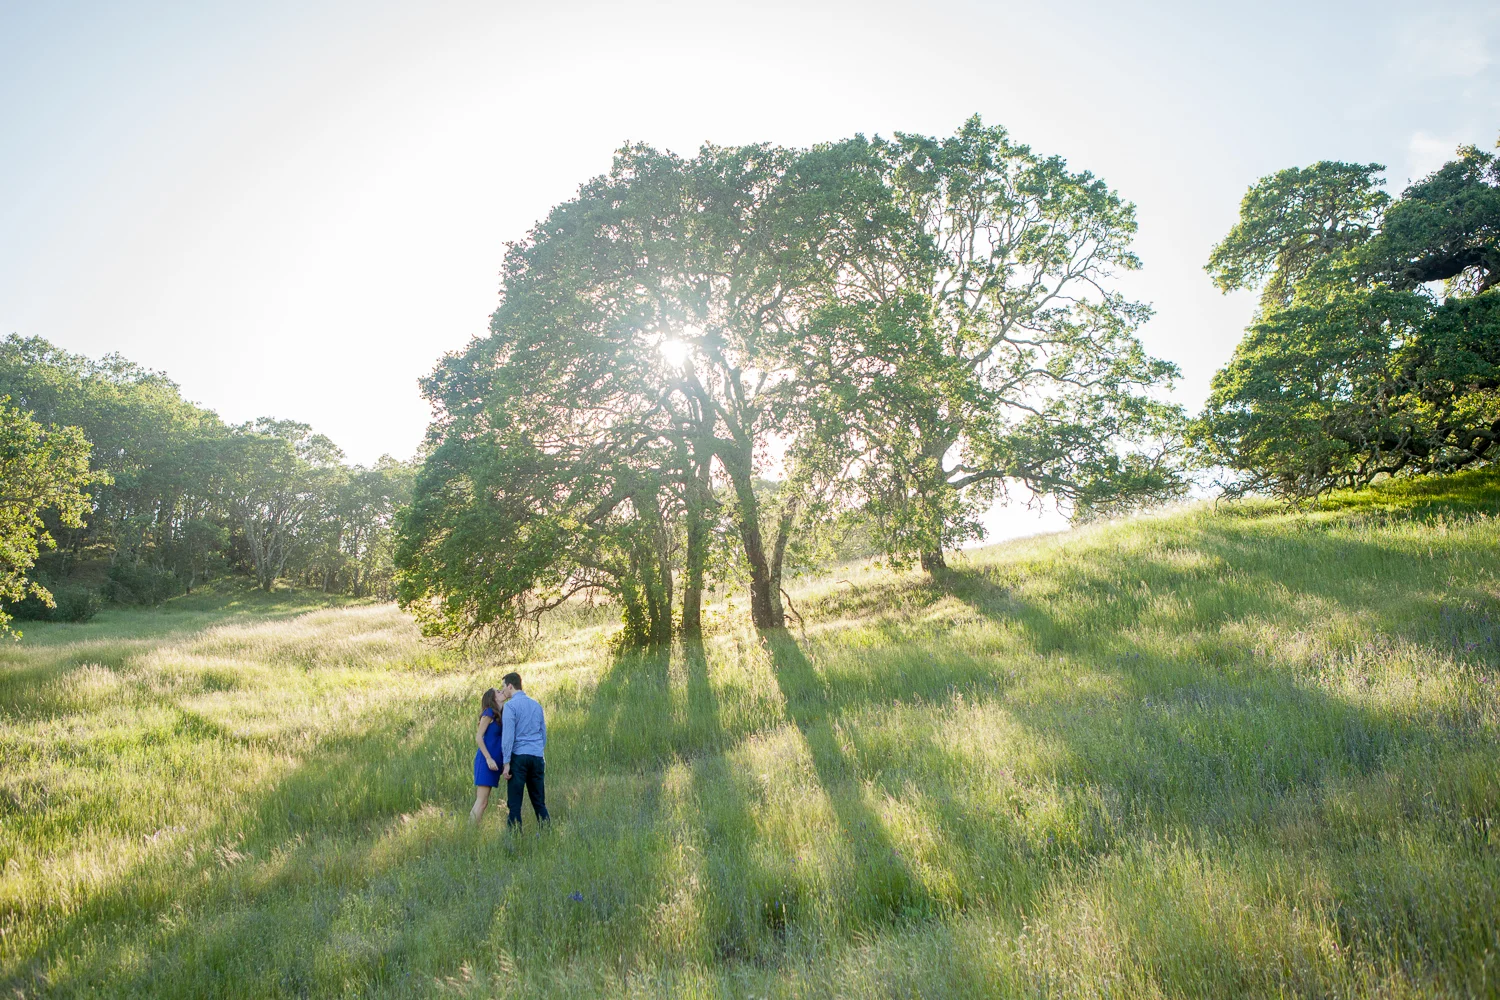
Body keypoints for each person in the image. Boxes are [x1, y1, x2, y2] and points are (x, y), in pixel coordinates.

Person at [499, 671, 548, 828]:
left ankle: (514, 836)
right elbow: (543, 733)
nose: (504, 691)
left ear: (511, 686)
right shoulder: (536, 705)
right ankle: (547, 831)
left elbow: (508, 737)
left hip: (519, 757)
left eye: (504, 687)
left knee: (514, 803)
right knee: (539, 801)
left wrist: (506, 762)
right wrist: (539, 751)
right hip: (536, 756)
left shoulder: (510, 707)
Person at [470, 687, 507, 823]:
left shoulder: (501, 714)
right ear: (493, 698)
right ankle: (470, 831)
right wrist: (488, 758)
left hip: (495, 763)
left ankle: (472, 829)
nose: (501, 692)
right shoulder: (489, 712)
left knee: (484, 801)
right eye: (498, 692)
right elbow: (479, 737)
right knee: (482, 801)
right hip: (486, 761)